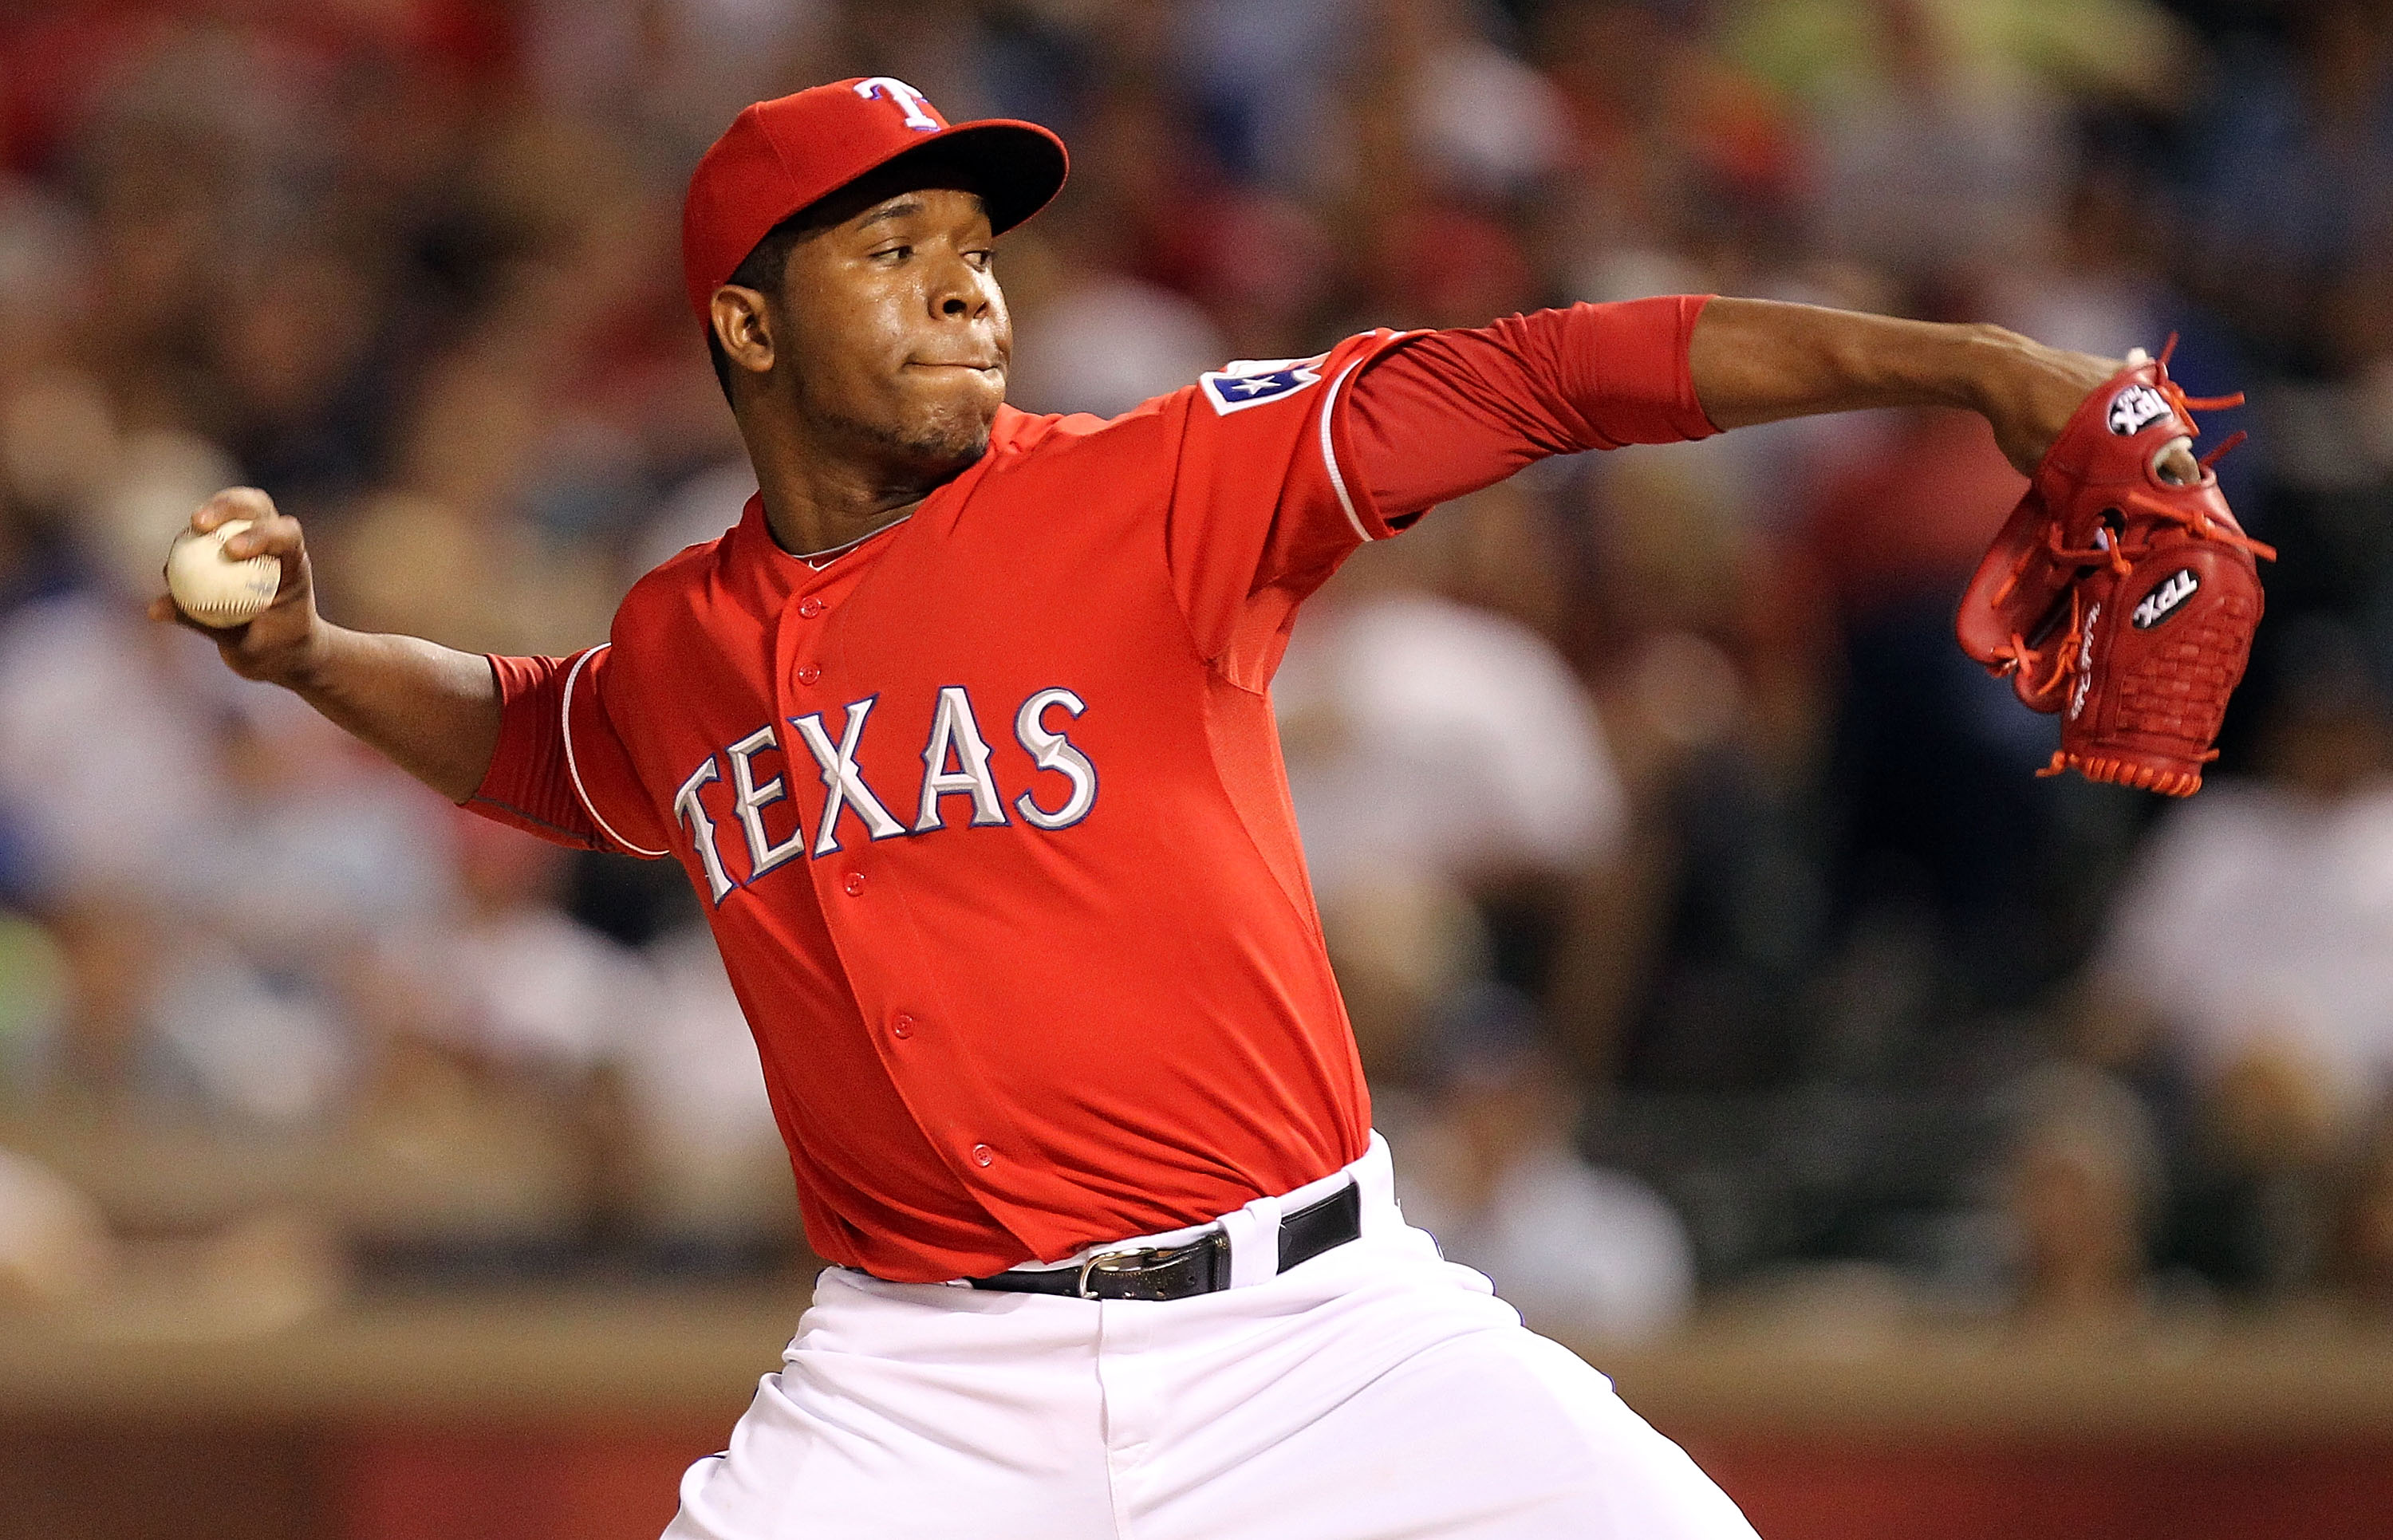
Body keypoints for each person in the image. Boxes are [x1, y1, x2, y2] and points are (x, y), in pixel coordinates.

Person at [156, 77, 2130, 1540]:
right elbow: (552, 746)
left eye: (973, 252)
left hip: (1322, 1330)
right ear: (745, 327)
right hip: (918, 1386)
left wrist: (1962, 369)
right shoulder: (685, 633)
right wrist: (321, 653)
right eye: (891, 252)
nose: (965, 293)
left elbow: (1537, 377)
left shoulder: (1159, 484)